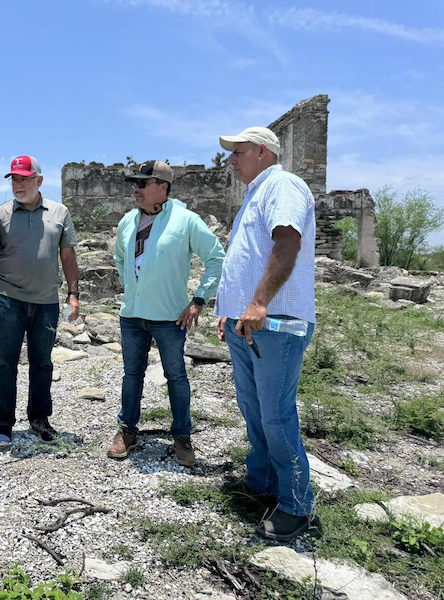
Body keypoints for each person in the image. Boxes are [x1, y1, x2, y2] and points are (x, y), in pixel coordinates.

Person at [215, 127, 316, 542]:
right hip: (249, 323)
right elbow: (245, 259)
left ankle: (296, 505)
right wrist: (230, 311)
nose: (230, 160)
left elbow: (286, 242)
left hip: (276, 322)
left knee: (275, 413)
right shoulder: (255, 194)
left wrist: (258, 304)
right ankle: (262, 482)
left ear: (261, 151)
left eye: (237, 152)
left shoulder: (284, 185)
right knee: (253, 408)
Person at [106, 161, 225, 465]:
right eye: (134, 183)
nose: (136, 189)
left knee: (176, 376)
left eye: (142, 184)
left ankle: (182, 436)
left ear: (163, 187)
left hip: (171, 317)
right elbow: (120, 257)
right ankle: (127, 431)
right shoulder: (127, 222)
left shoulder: (186, 221)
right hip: (132, 315)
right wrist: (131, 285)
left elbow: (215, 257)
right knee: (132, 375)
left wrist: (199, 300)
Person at [0, 155, 79, 447]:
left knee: (42, 363)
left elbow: (68, 256)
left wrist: (74, 294)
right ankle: (4, 425)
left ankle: (39, 419)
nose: (18, 184)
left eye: (24, 178)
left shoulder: (60, 212)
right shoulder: (0, 214)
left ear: (39, 181)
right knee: (5, 363)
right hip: (9, 299)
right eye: (14, 179)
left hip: (47, 302)